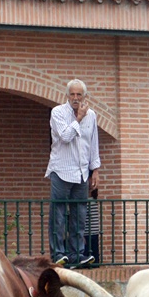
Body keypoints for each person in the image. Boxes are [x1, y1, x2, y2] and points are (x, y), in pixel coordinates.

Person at [45, 79, 100, 266]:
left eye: (79, 95)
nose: (76, 98)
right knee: (58, 214)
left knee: (79, 215)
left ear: (85, 96)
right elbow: (66, 136)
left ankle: (77, 254)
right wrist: (78, 119)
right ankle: (58, 254)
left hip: (82, 172)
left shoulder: (91, 115)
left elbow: (93, 143)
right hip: (61, 170)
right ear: (67, 96)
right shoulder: (58, 112)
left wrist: (95, 170)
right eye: (72, 94)